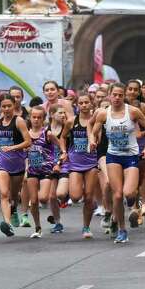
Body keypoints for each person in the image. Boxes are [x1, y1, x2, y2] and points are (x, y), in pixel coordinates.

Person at [91, 84, 145, 244]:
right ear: (109, 96)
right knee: (118, 195)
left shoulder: (132, 111)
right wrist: (93, 140)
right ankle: (122, 229)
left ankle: (131, 206)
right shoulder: (103, 114)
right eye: (115, 94)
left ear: (123, 95)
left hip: (131, 156)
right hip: (113, 156)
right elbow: (93, 130)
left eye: (120, 95)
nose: (117, 97)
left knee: (129, 193)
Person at [0, 93, 32, 238]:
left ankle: (13, 209)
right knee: (4, 194)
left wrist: (13, 148)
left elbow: (28, 142)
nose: (6, 109)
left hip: (17, 164)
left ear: (14, 106)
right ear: (0, 107)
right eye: (3, 106)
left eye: (9, 106)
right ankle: (7, 224)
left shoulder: (19, 121)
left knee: (13, 196)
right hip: (1, 163)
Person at [24, 105, 66, 239]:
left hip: (47, 170)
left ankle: (56, 211)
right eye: (34, 117)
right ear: (30, 118)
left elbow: (60, 147)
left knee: (43, 198)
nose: (36, 120)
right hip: (32, 170)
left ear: (43, 119)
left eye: (39, 117)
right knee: (34, 201)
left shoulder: (47, 134)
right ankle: (37, 227)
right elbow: (23, 152)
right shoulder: (26, 135)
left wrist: (59, 161)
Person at [66, 92, 101, 239]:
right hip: (75, 162)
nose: (84, 105)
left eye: (87, 102)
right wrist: (63, 151)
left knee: (88, 197)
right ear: (77, 105)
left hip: (91, 162)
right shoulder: (71, 121)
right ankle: (91, 203)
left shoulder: (97, 121)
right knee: (74, 197)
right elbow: (62, 137)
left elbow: (101, 139)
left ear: (91, 104)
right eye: (81, 103)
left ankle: (86, 227)